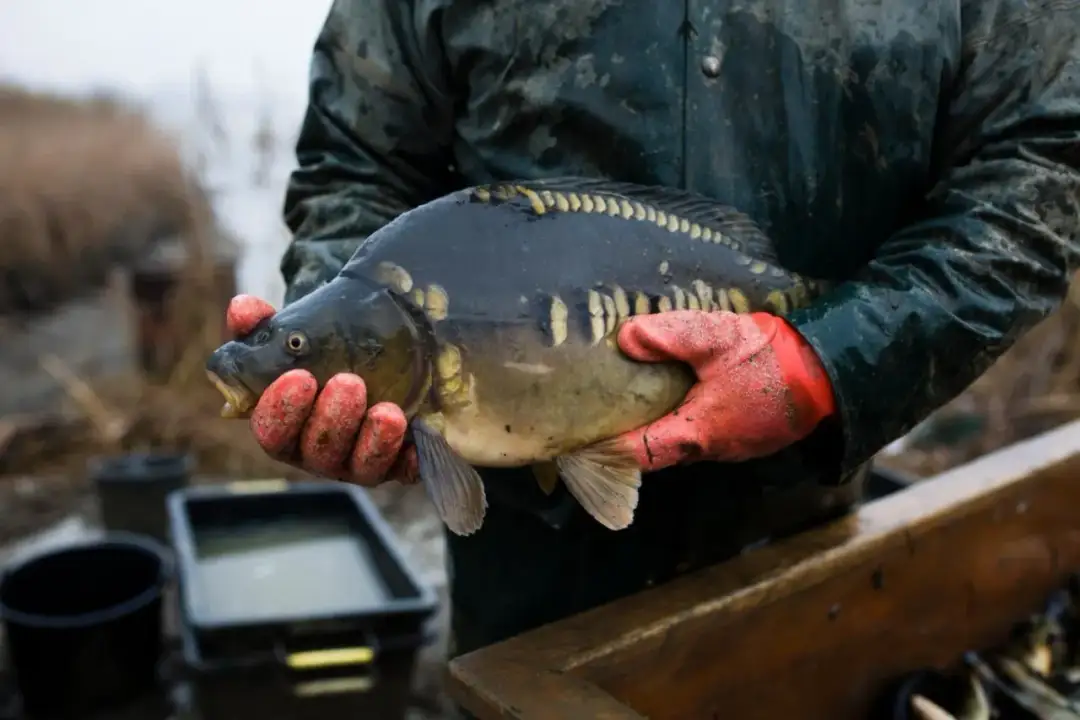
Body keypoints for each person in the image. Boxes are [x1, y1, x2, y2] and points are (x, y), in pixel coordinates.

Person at [228, 0, 1080, 668]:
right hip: (527, 574)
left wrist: (831, 357)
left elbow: (1040, 167)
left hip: (809, 533)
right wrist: (324, 333)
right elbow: (355, 162)